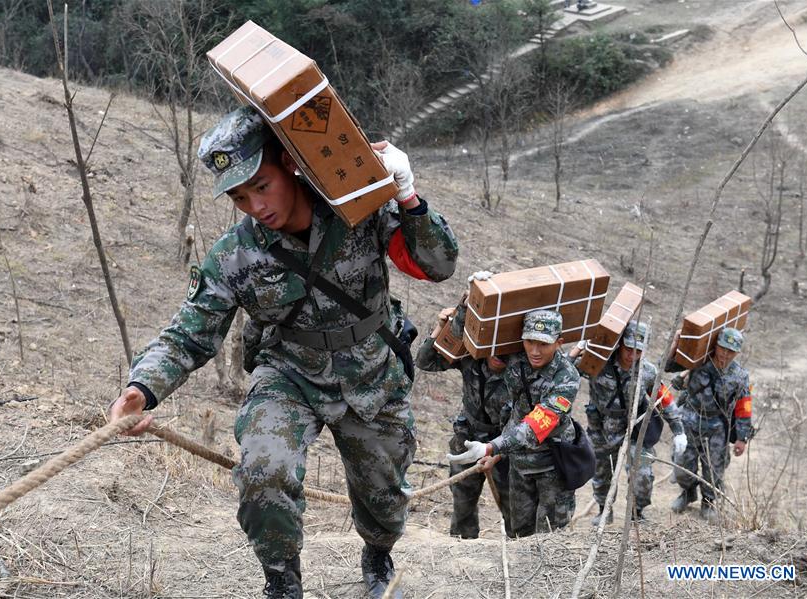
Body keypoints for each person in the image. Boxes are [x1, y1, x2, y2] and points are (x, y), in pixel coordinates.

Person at [107, 106, 459, 598]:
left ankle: (378, 554)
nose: (255, 205)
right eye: (239, 196)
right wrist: (141, 389)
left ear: (290, 164)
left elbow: (439, 265)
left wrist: (407, 195)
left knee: (385, 503)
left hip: (372, 376)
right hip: (290, 374)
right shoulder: (233, 255)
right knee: (263, 468)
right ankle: (281, 582)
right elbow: (189, 333)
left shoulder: (356, 208)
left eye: (262, 185)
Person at [447, 309, 581, 537]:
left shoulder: (567, 378)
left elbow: (536, 424)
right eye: (529, 342)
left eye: (543, 344)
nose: (535, 351)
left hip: (553, 465)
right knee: (519, 533)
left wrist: (492, 447)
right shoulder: (516, 357)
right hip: (520, 465)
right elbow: (468, 338)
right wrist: (467, 302)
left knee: (549, 536)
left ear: (559, 343)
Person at [568, 321, 686, 523]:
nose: (632, 356)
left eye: (638, 351)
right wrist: (580, 348)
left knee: (643, 473)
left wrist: (678, 429)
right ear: (620, 344)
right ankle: (604, 510)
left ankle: (637, 513)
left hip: (634, 430)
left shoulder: (647, 372)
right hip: (601, 429)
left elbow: (664, 399)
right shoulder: (598, 363)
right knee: (602, 473)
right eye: (628, 349)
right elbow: (563, 371)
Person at [415, 297, 513, 538]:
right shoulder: (471, 355)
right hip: (467, 436)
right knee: (463, 502)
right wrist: (441, 327)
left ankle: (516, 551)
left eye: (505, 350)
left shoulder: (520, 367)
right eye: (495, 347)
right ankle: (463, 549)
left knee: (514, 506)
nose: (499, 354)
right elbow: (425, 362)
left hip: (506, 443)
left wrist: (496, 452)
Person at [666, 327, 753, 522]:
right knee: (681, 465)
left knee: (714, 469)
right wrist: (676, 342)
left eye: (731, 351)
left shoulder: (740, 376)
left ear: (737, 353)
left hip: (717, 426)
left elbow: (744, 406)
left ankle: (708, 501)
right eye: (722, 348)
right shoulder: (698, 362)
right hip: (689, 418)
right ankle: (687, 493)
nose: (725, 354)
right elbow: (669, 365)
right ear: (715, 346)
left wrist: (742, 437)